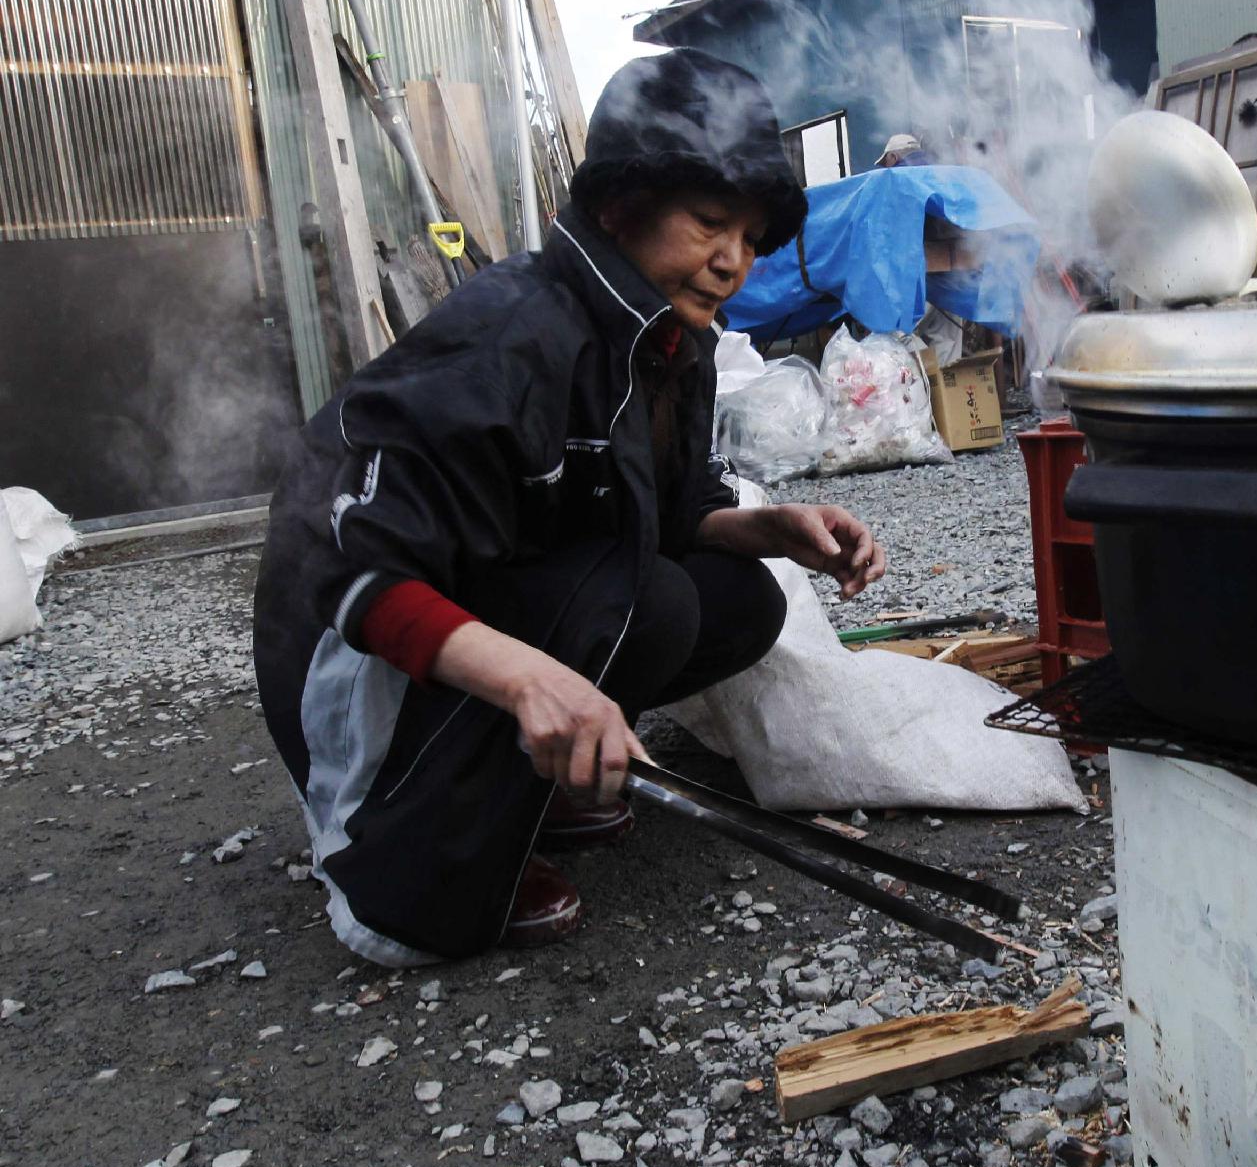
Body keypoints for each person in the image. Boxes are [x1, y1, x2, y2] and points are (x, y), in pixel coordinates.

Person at [253, 50, 886, 966]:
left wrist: (770, 527)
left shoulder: (671, 341)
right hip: (349, 663)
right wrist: (528, 681)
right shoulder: (509, 334)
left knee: (734, 596)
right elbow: (347, 569)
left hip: (508, 598)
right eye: (710, 222)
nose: (731, 263)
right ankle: (401, 840)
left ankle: (526, 788)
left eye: (750, 239)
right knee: (631, 599)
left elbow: (666, 515)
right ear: (620, 205)